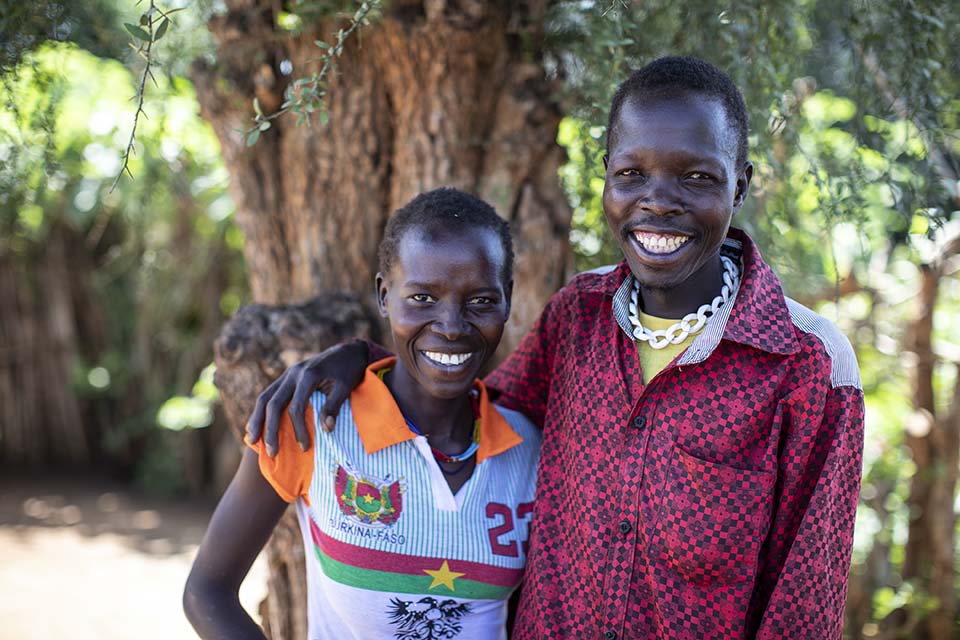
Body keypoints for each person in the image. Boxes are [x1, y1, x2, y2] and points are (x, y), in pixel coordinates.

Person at [249, 57, 864, 639]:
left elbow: (803, 605)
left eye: (697, 177)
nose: (657, 201)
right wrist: (362, 357)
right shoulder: (577, 319)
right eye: (631, 174)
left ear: (741, 186)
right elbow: (470, 400)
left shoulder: (806, 365)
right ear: (606, 177)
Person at [184, 188, 541, 639]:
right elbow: (206, 590)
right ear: (384, 295)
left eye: (481, 301)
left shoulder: (531, 450)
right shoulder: (314, 423)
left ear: (507, 300)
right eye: (423, 299)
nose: (451, 326)